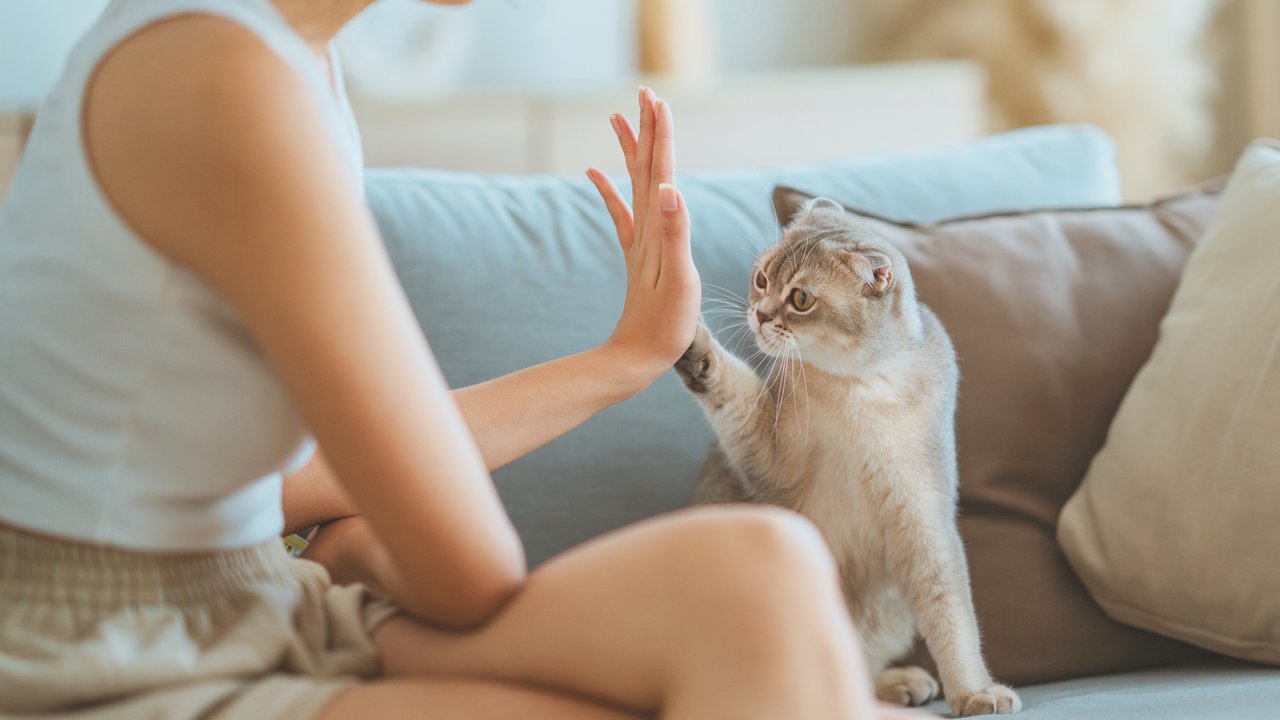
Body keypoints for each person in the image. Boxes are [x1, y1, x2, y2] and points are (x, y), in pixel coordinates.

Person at [0, 0, 923, 717]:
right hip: (112, 656)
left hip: (247, 595)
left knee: (768, 571)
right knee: (756, 625)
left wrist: (630, 355)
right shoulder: (227, 81)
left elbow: (282, 478)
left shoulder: (289, 57)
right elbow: (466, 569)